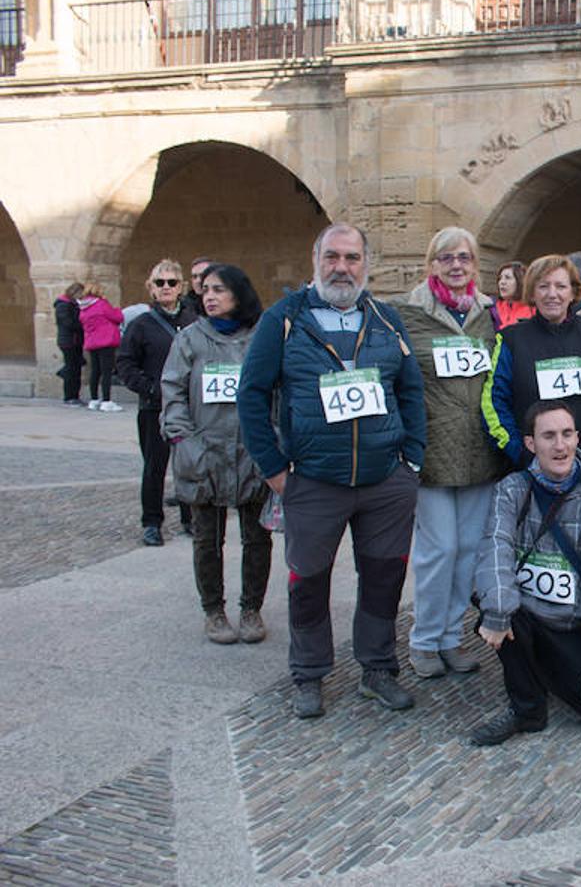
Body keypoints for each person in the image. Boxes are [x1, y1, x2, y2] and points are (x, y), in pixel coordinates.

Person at [238, 222, 427, 719]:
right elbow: (251, 396)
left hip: (386, 480)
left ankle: (379, 669)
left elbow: (410, 389)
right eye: (332, 257)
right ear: (316, 260)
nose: (341, 268)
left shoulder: (385, 319)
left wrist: (413, 459)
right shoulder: (284, 318)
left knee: (385, 578)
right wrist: (274, 468)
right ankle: (309, 674)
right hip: (314, 481)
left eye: (352, 258)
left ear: (367, 264)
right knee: (308, 580)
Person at [470, 400, 581, 746]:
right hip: (523, 614)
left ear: (577, 438)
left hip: (570, 624)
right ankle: (527, 709)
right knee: (497, 606)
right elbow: (494, 550)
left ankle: (547, 671)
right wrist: (497, 612)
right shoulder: (512, 490)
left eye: (567, 434)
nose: (560, 446)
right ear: (531, 444)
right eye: (549, 436)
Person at [390, 227, 506, 679]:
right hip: (433, 449)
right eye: (446, 258)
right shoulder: (407, 311)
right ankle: (423, 638)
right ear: (431, 264)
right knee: (438, 550)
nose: (456, 265)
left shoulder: (488, 315)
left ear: (475, 265)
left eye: (464, 257)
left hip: (478, 451)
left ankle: (451, 637)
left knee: (469, 551)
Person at [159, 264, 272, 645]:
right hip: (203, 452)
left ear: (238, 294)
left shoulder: (260, 338)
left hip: (251, 451)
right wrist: (182, 440)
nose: (209, 296)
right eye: (205, 289)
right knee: (207, 539)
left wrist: (273, 441)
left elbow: (276, 392)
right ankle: (213, 610)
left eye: (219, 289)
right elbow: (172, 391)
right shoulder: (189, 339)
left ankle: (251, 607)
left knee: (257, 537)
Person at [482, 254, 581, 495]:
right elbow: (492, 403)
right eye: (543, 286)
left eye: (560, 286)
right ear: (532, 293)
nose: (552, 294)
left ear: (574, 292)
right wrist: (521, 452)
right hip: (535, 478)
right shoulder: (510, 340)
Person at [116, 261, 197, 545]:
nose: (166, 287)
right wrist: (150, 389)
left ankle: (191, 518)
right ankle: (151, 522)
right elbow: (125, 363)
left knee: (188, 464)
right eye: (160, 282)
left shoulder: (192, 321)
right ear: (151, 287)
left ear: (181, 287)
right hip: (155, 407)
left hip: (189, 407)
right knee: (155, 467)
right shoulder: (141, 325)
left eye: (172, 282)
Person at [78, 283, 124, 412]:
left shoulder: (84, 307)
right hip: (106, 341)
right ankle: (106, 400)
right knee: (106, 372)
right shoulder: (101, 304)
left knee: (95, 371)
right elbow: (118, 317)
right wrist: (117, 310)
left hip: (92, 342)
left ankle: (94, 399)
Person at [54, 282, 86, 405]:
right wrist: (82, 323)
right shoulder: (63, 305)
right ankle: (69, 396)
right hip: (68, 341)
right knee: (72, 369)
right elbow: (68, 322)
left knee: (75, 367)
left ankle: (74, 395)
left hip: (75, 340)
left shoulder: (73, 304)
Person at [490, 260, 533, 331]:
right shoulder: (492, 307)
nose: (502, 282)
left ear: (520, 281)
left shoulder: (533, 311)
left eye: (507, 278)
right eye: (500, 278)